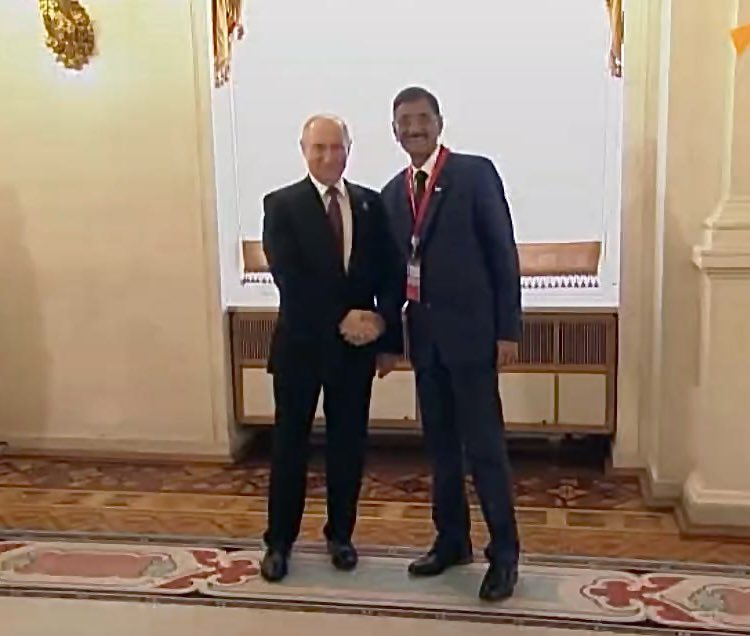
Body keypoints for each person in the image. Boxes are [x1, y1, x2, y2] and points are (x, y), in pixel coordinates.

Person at [379, 87, 522, 601]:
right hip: (427, 344)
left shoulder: (474, 174)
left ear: (439, 122)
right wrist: (390, 342)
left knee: (484, 450)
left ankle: (504, 555)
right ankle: (452, 541)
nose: (414, 128)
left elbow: (503, 253)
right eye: (404, 121)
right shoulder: (392, 194)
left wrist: (508, 330)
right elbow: (393, 276)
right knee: (440, 448)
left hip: (474, 339)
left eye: (422, 118)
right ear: (394, 131)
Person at [260, 114, 403, 582]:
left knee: (348, 446)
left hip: (354, 352)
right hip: (301, 347)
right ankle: (279, 542)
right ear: (303, 150)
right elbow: (289, 277)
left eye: (335, 147)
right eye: (318, 147)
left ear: (348, 149)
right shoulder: (281, 205)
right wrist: (340, 317)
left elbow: (389, 271)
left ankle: (340, 535)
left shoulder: (369, 203)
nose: (327, 156)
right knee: (290, 447)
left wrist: (384, 328)